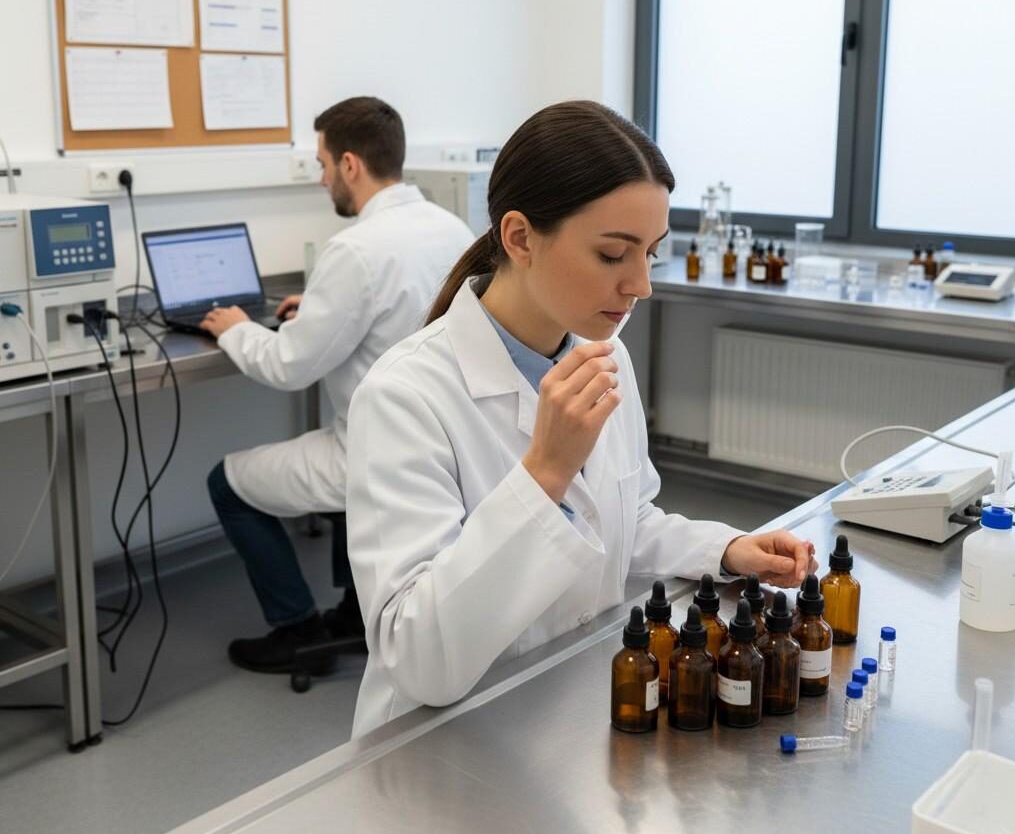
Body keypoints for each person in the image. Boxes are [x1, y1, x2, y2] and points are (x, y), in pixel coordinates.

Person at [345, 100, 817, 736]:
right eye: (612, 254)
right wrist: (545, 473)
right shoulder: (406, 396)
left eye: (651, 252)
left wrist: (726, 549)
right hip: (444, 737)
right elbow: (420, 659)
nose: (641, 285)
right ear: (519, 238)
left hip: (559, 710)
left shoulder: (603, 352)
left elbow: (625, 519)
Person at [199, 97, 474, 674]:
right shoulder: (450, 228)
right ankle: (356, 609)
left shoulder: (353, 249)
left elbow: (286, 368)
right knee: (326, 452)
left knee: (226, 483)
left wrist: (236, 329)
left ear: (350, 164)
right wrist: (319, 307)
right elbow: (386, 314)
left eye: (323, 164)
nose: (322, 179)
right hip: (443, 444)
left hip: (372, 455)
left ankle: (295, 629)